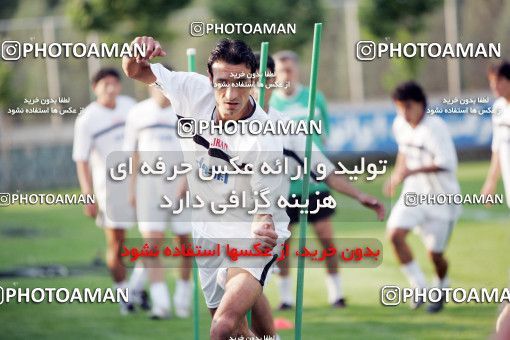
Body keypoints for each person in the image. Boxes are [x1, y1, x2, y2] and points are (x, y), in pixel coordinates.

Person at [123, 37, 289, 338]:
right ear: (209, 79)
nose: (230, 94)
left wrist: (264, 223)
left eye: (241, 83)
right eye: (222, 82)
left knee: (222, 327)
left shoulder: (264, 138)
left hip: (251, 235)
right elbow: (134, 71)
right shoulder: (191, 90)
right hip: (207, 230)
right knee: (237, 332)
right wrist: (136, 51)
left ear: (253, 81)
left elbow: (264, 209)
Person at [252, 52, 385, 311]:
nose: (285, 75)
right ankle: (286, 297)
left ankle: (336, 293)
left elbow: (321, 150)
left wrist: (359, 195)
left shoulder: (302, 109)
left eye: (289, 70)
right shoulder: (238, 117)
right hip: (270, 198)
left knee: (325, 237)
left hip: (310, 183)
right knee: (280, 246)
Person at [384, 81, 461, 313]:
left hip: (441, 199)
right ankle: (418, 286)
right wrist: (397, 176)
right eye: (399, 108)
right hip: (414, 193)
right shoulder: (400, 124)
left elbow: (447, 164)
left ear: (420, 104)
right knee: (395, 234)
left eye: (408, 107)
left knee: (435, 254)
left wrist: (412, 171)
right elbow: (404, 150)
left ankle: (442, 285)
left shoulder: (435, 127)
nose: (404, 114)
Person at [123, 68, 192, 319]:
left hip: (180, 187)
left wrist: (184, 183)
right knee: (152, 244)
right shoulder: (137, 113)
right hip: (148, 186)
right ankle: (161, 304)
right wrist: (131, 188)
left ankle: (182, 298)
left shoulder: (185, 111)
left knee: (185, 246)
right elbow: (133, 154)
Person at [72, 68, 136, 314]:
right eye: (104, 84)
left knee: (155, 237)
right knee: (117, 245)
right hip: (109, 190)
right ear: (95, 87)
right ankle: (124, 297)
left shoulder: (130, 106)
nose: (110, 88)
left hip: (139, 185)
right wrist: (88, 196)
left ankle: (139, 285)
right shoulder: (87, 118)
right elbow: (81, 160)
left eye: (114, 83)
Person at [481, 61, 510, 207]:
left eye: (499, 81)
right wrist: (491, 182)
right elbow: (498, 148)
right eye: (492, 81)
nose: (494, 86)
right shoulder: (498, 108)